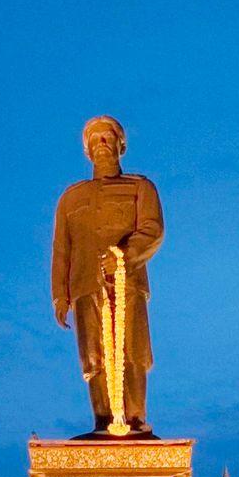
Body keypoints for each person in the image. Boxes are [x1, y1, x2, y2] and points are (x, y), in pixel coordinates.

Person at [51, 115, 165, 436]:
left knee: (132, 350)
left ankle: (135, 420)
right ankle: (103, 421)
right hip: (86, 285)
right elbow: (62, 249)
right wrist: (60, 294)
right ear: (88, 150)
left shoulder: (140, 188)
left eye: (108, 138)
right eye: (95, 140)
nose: (102, 144)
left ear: (119, 145)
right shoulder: (70, 199)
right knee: (93, 356)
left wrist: (126, 256)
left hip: (127, 282)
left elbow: (153, 230)